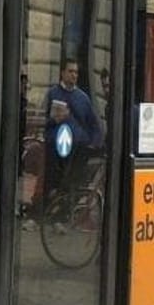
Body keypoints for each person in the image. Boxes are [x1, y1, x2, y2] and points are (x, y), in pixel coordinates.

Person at [44, 58, 104, 200]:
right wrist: (54, 120)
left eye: (76, 72)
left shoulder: (83, 98)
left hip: (78, 149)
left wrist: (94, 144)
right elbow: (42, 121)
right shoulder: (52, 93)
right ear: (63, 73)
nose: (74, 75)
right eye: (70, 71)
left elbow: (94, 124)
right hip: (55, 147)